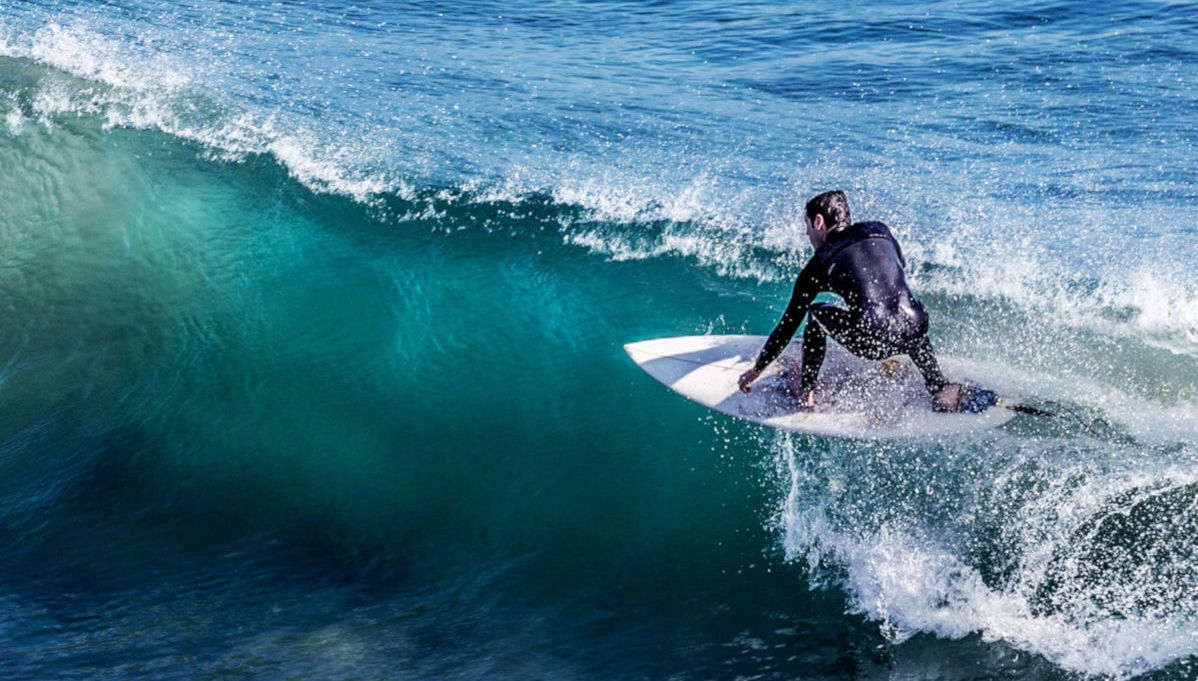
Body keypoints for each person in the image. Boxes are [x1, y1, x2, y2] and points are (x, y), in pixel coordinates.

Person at [737, 190, 968, 413]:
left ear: (819, 222)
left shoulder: (821, 262)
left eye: (807, 226)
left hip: (873, 342)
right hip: (917, 328)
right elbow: (898, 268)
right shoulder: (880, 230)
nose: (807, 234)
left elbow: (788, 325)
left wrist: (758, 369)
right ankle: (940, 387)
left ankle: (806, 389)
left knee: (816, 314)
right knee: (901, 311)